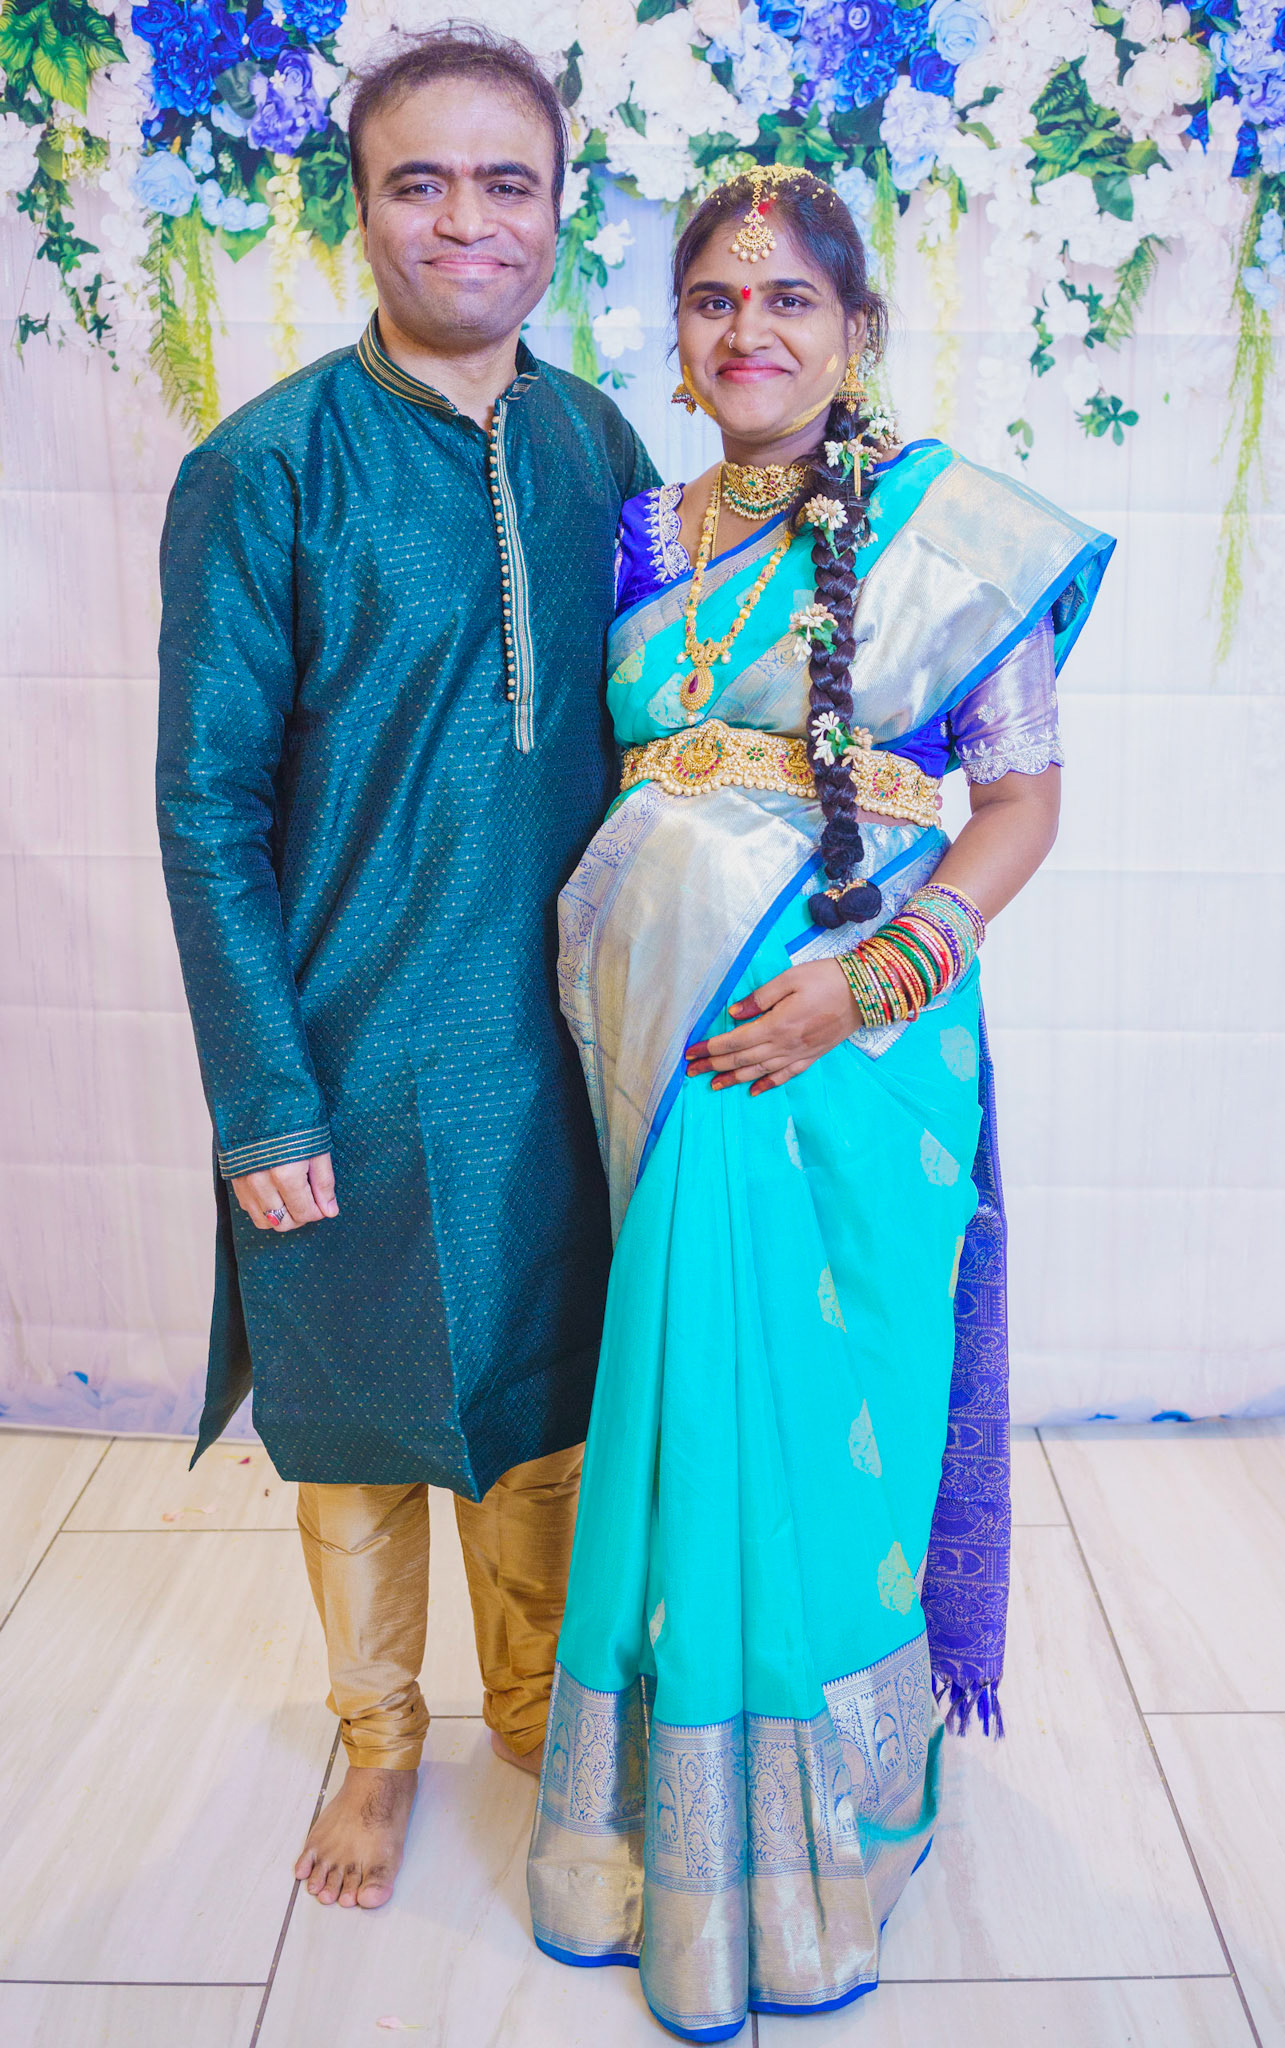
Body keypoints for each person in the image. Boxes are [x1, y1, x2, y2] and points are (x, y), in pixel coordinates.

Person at [527, 167, 1114, 2040]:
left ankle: (820, 1840)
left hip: (842, 1047)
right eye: (713, 299)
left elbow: (1018, 804)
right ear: (676, 338)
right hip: (657, 1031)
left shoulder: (950, 534)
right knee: (681, 1400)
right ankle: (671, 1826)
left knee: (806, 1417)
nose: (748, 330)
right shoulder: (636, 530)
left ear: (856, 332)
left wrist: (875, 977)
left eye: (789, 298)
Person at [155, 26, 656, 1912]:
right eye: (417, 182)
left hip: (552, 1042)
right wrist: (260, 1094)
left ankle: (532, 1714)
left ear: (558, 211)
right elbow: (205, 805)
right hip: (347, 1041)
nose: (465, 220)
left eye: (504, 182)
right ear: (356, 210)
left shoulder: (599, 448)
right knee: (357, 1415)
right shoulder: (265, 468)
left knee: (544, 1399)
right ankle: (378, 1743)